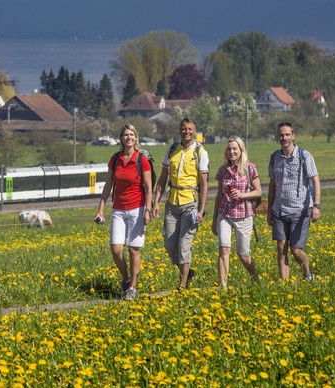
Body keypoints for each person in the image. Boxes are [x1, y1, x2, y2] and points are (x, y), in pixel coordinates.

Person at [95, 124, 153, 300]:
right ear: (121, 138)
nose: (129, 138)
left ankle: (133, 288)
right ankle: (126, 279)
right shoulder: (115, 159)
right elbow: (108, 185)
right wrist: (100, 209)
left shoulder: (141, 158)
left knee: (133, 250)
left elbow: (148, 187)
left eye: (132, 135)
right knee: (116, 248)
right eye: (126, 135)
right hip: (118, 209)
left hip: (137, 208)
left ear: (136, 138)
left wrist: (148, 210)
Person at [153, 117, 209, 291]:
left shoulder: (200, 152)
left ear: (195, 131)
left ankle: (182, 285)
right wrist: (155, 202)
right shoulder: (172, 150)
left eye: (190, 129)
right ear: (180, 130)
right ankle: (188, 272)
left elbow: (205, 184)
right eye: (184, 129)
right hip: (172, 202)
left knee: (184, 245)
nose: (187, 132)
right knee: (170, 246)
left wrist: (201, 210)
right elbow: (163, 179)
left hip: (190, 203)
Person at [267, 122, 321, 281]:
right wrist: (270, 210)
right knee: (281, 247)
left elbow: (315, 181)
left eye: (287, 134)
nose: (284, 138)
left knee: (296, 250)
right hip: (279, 209)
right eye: (281, 135)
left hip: (300, 209)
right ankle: (284, 285)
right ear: (278, 137)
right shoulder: (274, 158)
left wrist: (316, 206)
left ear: (293, 136)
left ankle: (307, 273)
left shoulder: (305, 156)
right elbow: (272, 185)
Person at [211, 136, 261, 288]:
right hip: (224, 214)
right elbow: (219, 195)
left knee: (243, 255)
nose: (231, 152)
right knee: (224, 249)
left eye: (234, 149)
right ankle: (223, 286)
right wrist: (214, 220)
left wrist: (242, 195)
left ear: (240, 150)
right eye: (229, 149)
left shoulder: (249, 168)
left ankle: (254, 276)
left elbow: (258, 191)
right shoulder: (222, 170)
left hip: (243, 215)